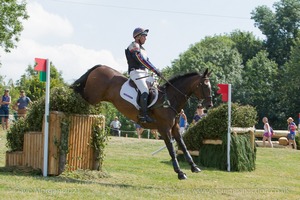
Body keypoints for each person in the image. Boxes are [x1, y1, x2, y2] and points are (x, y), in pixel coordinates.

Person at [125, 27, 161, 123]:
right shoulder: (134, 45)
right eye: (144, 36)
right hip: (136, 73)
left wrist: (156, 71)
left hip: (145, 73)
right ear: (138, 37)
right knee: (144, 90)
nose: (146, 38)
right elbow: (140, 59)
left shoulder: (143, 49)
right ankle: (142, 115)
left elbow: (147, 61)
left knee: (156, 88)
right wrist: (154, 69)